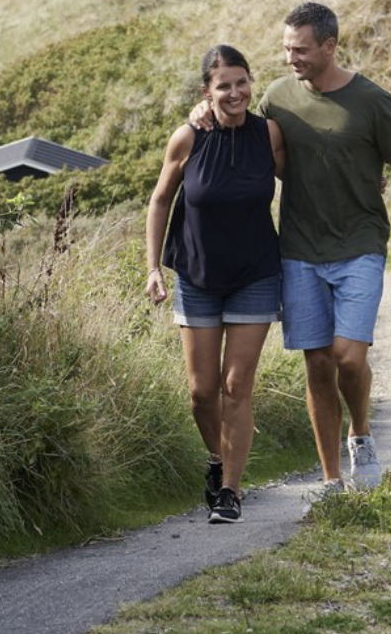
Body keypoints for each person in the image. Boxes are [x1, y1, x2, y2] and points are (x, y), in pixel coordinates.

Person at [194, 1, 391, 497]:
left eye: (300, 49)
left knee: (348, 357)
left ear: (329, 46)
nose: (290, 58)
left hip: (360, 243)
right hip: (298, 248)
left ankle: (360, 433)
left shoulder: (372, 101)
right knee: (318, 363)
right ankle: (331, 480)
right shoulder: (277, 97)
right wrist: (204, 110)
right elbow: (244, 131)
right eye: (286, 49)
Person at [145, 44, 286, 525]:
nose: (235, 92)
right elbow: (160, 201)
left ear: (251, 82)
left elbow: (307, 175)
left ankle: (230, 490)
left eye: (241, 82)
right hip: (197, 276)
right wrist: (153, 267)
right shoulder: (188, 137)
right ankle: (218, 458)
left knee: (235, 385)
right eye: (223, 85)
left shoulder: (269, 134)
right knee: (202, 392)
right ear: (207, 91)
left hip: (255, 275)